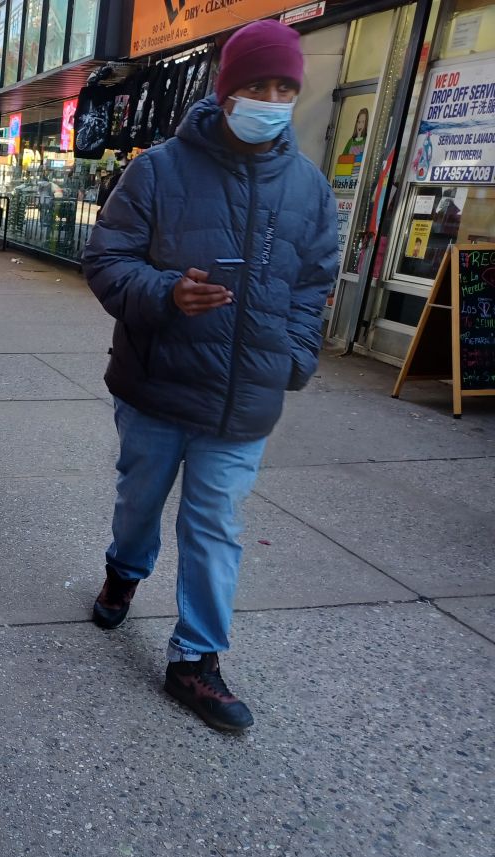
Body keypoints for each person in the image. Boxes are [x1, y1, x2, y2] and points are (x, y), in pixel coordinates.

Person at [81, 19, 337, 733]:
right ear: (226, 92)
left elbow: (316, 283)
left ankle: (195, 661)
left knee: (215, 525)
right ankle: (123, 572)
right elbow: (106, 260)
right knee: (139, 503)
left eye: (285, 87)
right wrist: (165, 293)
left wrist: (294, 357)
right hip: (160, 386)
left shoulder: (309, 189)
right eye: (258, 84)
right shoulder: (159, 169)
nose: (272, 98)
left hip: (245, 400)